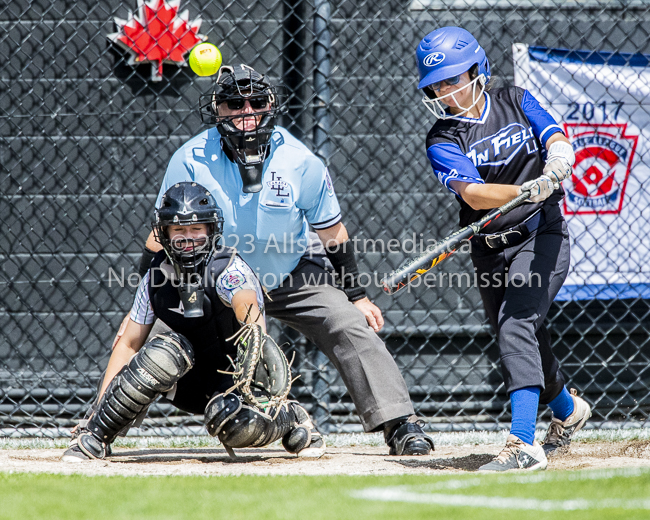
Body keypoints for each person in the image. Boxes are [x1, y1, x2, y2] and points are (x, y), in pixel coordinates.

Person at [132, 64, 434, 456]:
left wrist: (357, 295)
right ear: (216, 108)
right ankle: (104, 424)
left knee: (346, 322)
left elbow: (333, 234)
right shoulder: (190, 158)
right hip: (215, 281)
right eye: (232, 103)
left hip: (289, 271)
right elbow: (161, 235)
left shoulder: (299, 160)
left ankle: (401, 424)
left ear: (270, 105)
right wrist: (152, 300)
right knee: (154, 346)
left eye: (255, 102)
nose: (245, 111)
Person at [415, 27, 591, 471]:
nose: (443, 91)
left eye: (452, 79)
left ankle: (522, 445)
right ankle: (569, 410)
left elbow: (555, 135)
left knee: (517, 325)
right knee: (519, 332)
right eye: (436, 84)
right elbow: (473, 195)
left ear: (478, 70)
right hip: (489, 248)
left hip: (540, 234)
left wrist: (557, 160)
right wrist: (527, 187)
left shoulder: (514, 98)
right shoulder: (442, 138)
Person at [62, 182, 324, 462]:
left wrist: (251, 327)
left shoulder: (229, 268)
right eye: (179, 230)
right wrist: (98, 412)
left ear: (211, 231)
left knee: (235, 426)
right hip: (181, 379)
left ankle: (290, 416)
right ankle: (98, 435)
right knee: (162, 353)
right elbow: (128, 343)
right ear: (164, 234)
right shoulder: (155, 276)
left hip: (234, 383)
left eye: (196, 230)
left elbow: (246, 304)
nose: (188, 239)